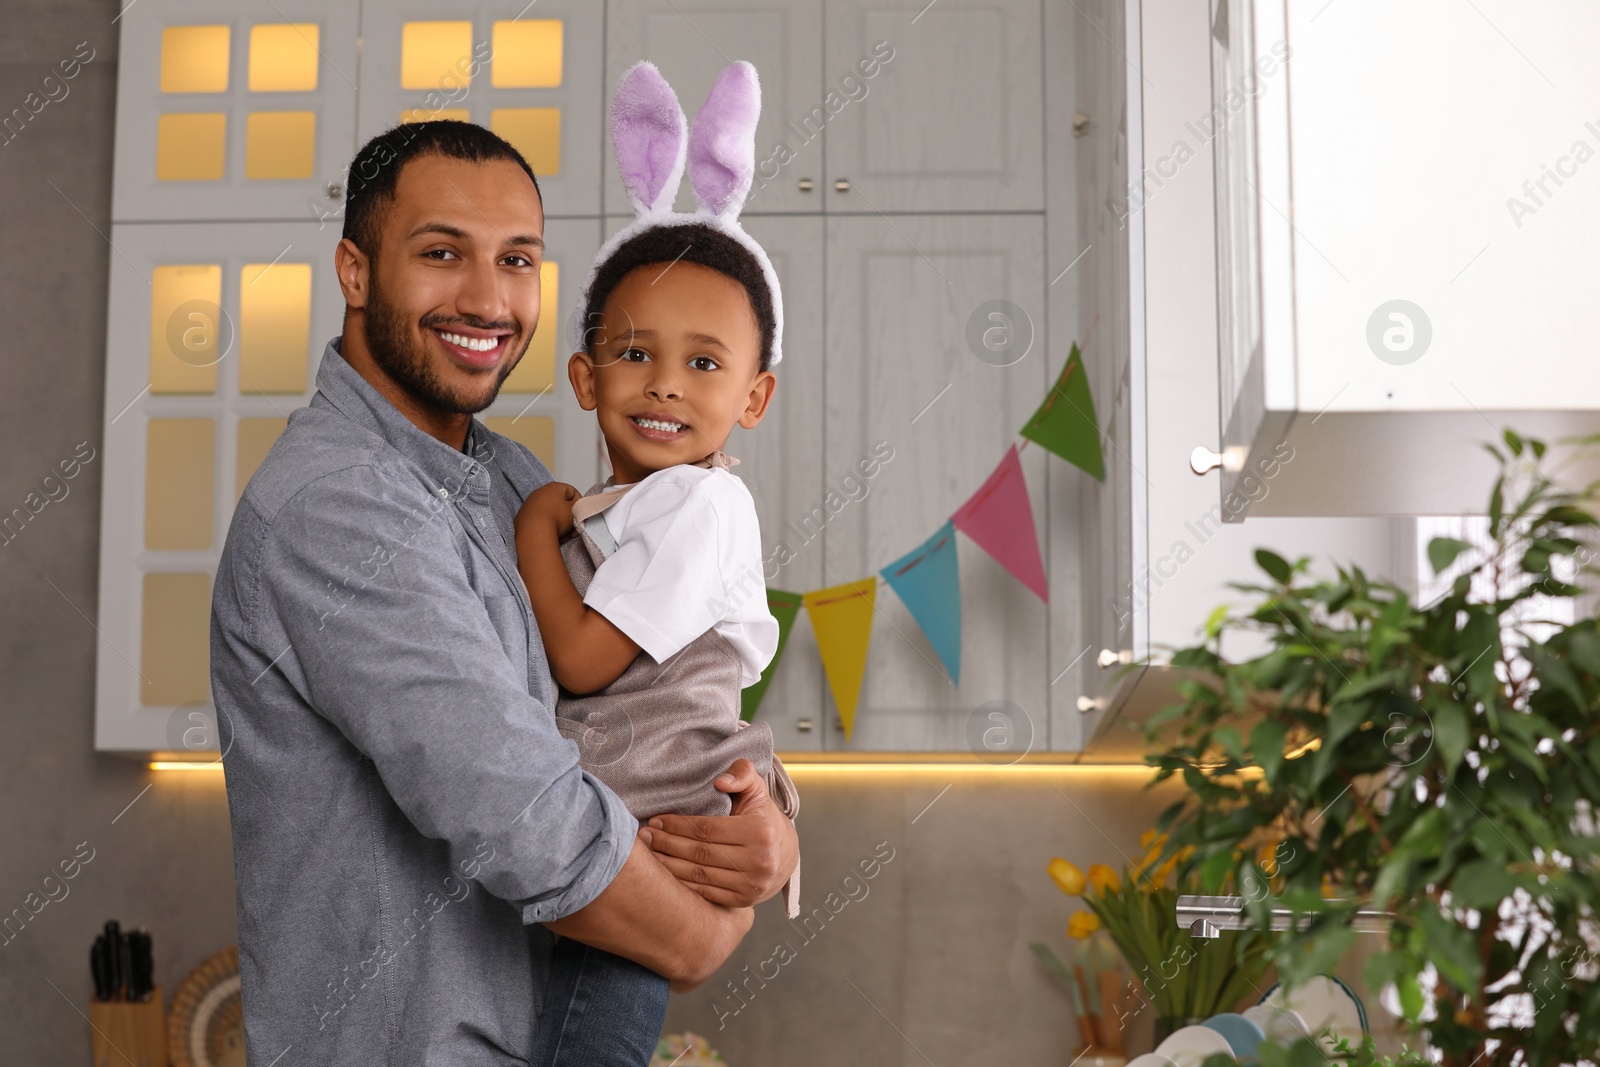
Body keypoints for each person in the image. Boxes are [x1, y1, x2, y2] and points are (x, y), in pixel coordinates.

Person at [209, 117, 798, 1067]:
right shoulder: (337, 506)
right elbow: (531, 820)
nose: (488, 298)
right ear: (355, 272)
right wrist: (714, 924)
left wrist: (767, 828)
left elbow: (664, 696)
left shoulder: (517, 484)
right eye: (442, 253)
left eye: (517, 259)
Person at [513, 60, 801, 1066]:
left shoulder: (698, 499)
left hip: (639, 843)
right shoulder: (633, 506)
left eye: (705, 363)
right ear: (586, 376)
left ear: (753, 399)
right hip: (620, 839)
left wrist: (529, 536)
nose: (665, 385)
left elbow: (587, 661)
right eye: (635, 354)